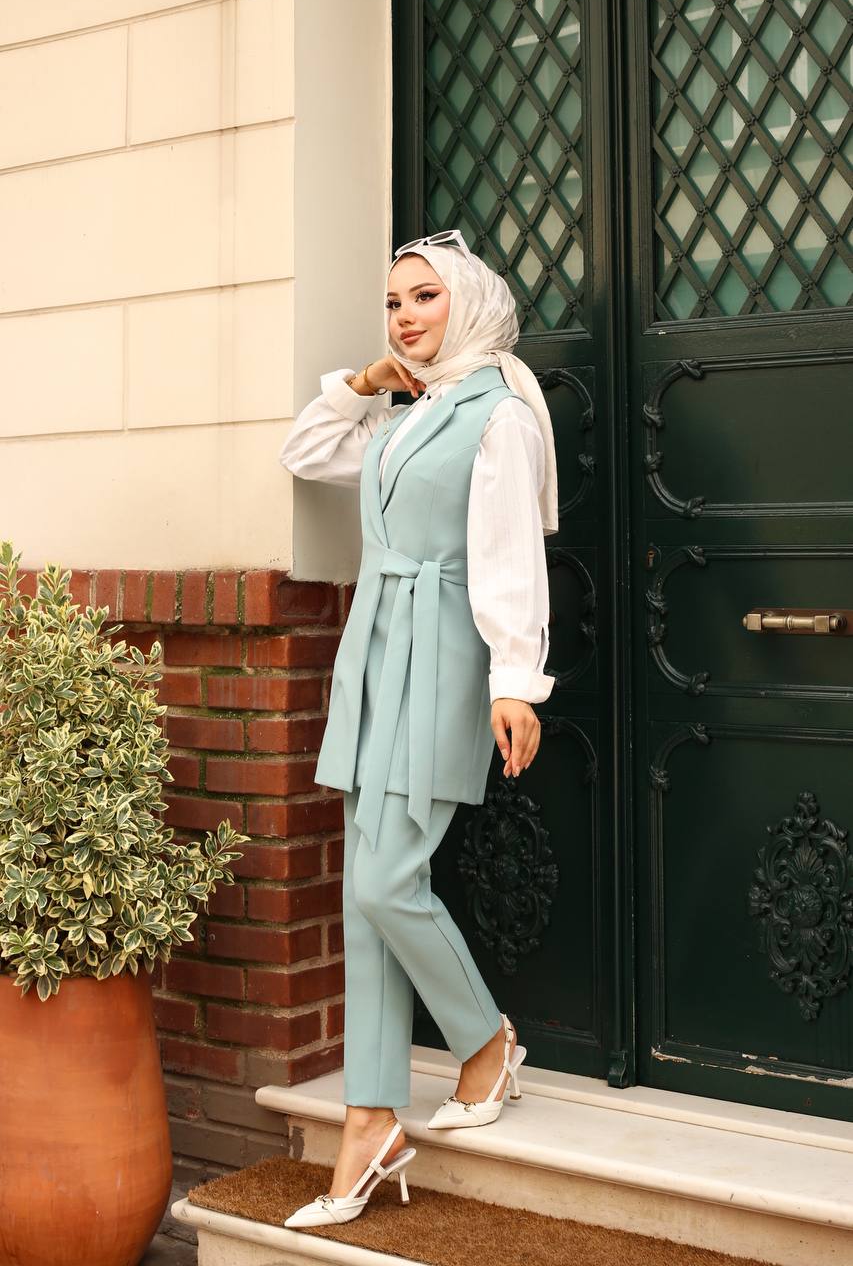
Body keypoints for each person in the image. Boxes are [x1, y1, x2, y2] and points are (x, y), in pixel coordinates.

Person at [277, 229, 558, 1228]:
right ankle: (370, 1118)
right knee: (366, 895)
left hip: (442, 659)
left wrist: (515, 679)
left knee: (387, 879)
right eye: (393, 301)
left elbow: (508, 554)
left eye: (424, 297)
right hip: (374, 655)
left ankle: (485, 1042)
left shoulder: (499, 416)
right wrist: (361, 381)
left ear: (468, 303)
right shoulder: (409, 412)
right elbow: (306, 452)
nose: (404, 316)